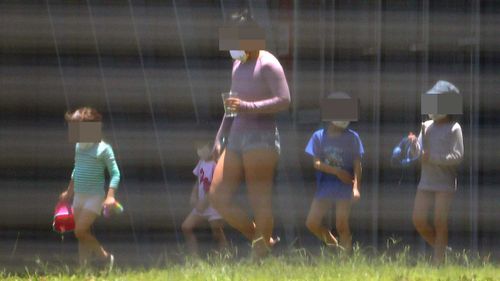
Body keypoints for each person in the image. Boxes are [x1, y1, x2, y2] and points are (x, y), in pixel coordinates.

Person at [209, 10, 291, 258]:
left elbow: (285, 100)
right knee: (217, 197)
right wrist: (220, 135)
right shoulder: (237, 64)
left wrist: (248, 107)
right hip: (236, 137)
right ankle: (260, 239)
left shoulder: (268, 63)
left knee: (259, 200)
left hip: (261, 139)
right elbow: (232, 104)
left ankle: (259, 257)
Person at [410, 80, 464, 265]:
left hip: (445, 184)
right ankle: (442, 251)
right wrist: (412, 147)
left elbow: (457, 156)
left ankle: (438, 262)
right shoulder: (426, 126)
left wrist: (432, 157)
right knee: (418, 220)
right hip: (425, 182)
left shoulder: (455, 128)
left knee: (441, 222)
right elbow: (418, 153)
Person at [59, 107, 120, 269]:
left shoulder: (103, 149)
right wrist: (69, 191)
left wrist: (110, 196)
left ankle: (105, 257)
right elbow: (77, 168)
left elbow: (115, 173)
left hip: (95, 198)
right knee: (81, 234)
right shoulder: (79, 147)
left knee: (80, 231)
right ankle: (84, 270)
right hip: (79, 196)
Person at [304, 119, 364, 253]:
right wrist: (337, 172)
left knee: (341, 224)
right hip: (325, 186)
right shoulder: (318, 136)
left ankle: (345, 260)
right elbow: (316, 163)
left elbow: (357, 164)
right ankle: (334, 245)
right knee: (312, 223)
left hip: (345, 186)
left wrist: (356, 188)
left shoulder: (353, 137)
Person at [181, 140, 227, 256]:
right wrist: (193, 194)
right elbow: (198, 181)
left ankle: (225, 257)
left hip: (213, 206)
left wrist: (204, 202)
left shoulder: (216, 164)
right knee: (186, 227)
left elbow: (215, 186)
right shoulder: (201, 162)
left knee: (217, 232)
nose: (200, 150)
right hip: (200, 205)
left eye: (202, 147)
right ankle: (194, 258)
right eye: (198, 147)